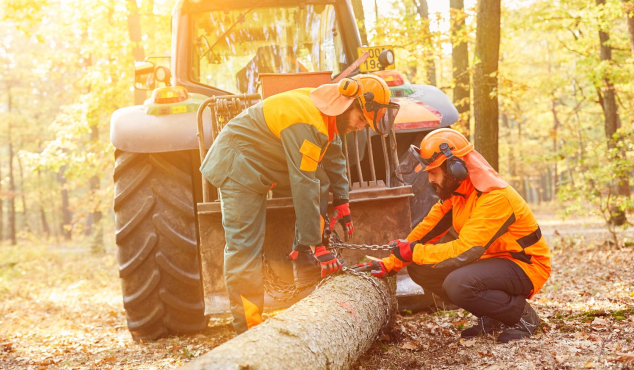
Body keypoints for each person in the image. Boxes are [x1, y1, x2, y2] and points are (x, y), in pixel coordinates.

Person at [200, 74, 399, 334]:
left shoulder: (328, 114)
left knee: (321, 177)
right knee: (244, 246)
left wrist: (342, 201)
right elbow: (303, 182)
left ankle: (303, 253)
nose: (361, 126)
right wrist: (317, 243)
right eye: (361, 119)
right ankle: (249, 330)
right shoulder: (307, 121)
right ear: (348, 103)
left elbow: (335, 155)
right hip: (237, 164)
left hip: (265, 163)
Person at [355, 129, 551, 343]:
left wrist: (414, 251)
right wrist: (390, 263)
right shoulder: (458, 194)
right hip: (493, 262)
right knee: (421, 268)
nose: (429, 179)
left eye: (433, 172)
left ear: (454, 169)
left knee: (459, 284)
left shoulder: (495, 198)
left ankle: (522, 316)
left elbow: (466, 250)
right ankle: (496, 315)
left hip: (524, 265)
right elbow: (427, 229)